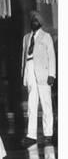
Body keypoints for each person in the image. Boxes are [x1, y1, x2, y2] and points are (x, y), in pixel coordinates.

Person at [21, 10, 56, 147]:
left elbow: (51, 56)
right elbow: (23, 58)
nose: (33, 22)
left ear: (40, 23)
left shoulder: (46, 37)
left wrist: (51, 74)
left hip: (43, 73)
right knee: (31, 104)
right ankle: (31, 135)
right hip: (29, 70)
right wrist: (24, 76)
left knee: (46, 103)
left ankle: (48, 134)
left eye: (36, 20)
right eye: (32, 20)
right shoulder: (26, 38)